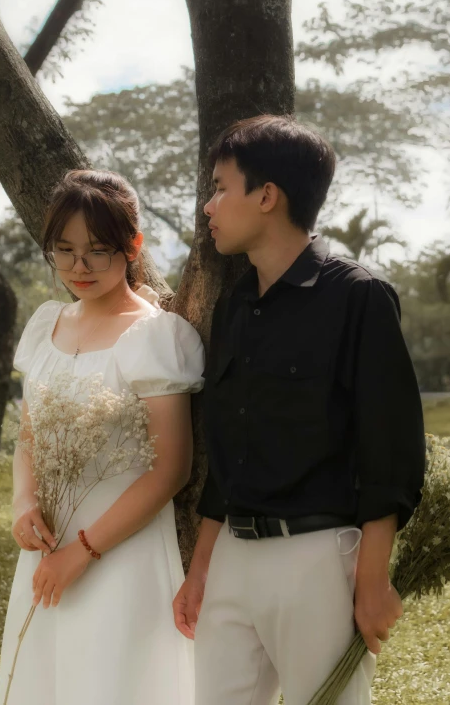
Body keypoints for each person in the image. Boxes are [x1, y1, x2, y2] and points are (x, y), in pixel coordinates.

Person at [173, 115, 426, 705]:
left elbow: (390, 450)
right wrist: (202, 568)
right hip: (234, 556)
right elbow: (227, 456)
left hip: (317, 560)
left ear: (266, 196)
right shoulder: (235, 305)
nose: (209, 206)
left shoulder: (357, 296)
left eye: (219, 188)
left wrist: (371, 579)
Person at [0, 169, 204, 705]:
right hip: (45, 553)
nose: (78, 267)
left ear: (133, 246)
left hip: (120, 554)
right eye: (64, 251)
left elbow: (170, 469)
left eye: (97, 251)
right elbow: (28, 436)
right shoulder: (47, 325)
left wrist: (83, 551)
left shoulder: (157, 335)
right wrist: (23, 505)